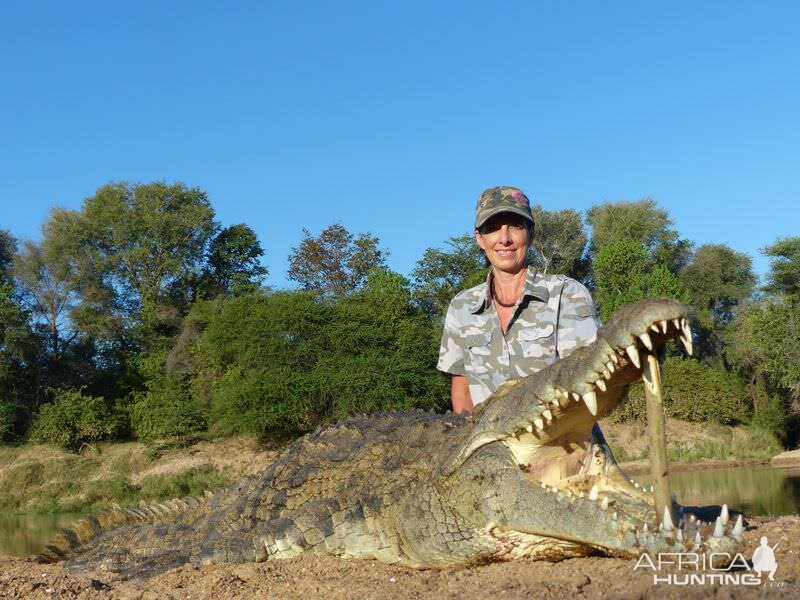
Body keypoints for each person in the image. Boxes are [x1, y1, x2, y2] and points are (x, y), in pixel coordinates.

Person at [437, 186, 598, 413]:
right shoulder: (461, 307)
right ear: (480, 239)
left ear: (530, 234)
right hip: (490, 444)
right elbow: (462, 389)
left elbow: (587, 377)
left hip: (562, 440)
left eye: (515, 226)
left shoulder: (567, 294)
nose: (504, 239)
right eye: (492, 229)